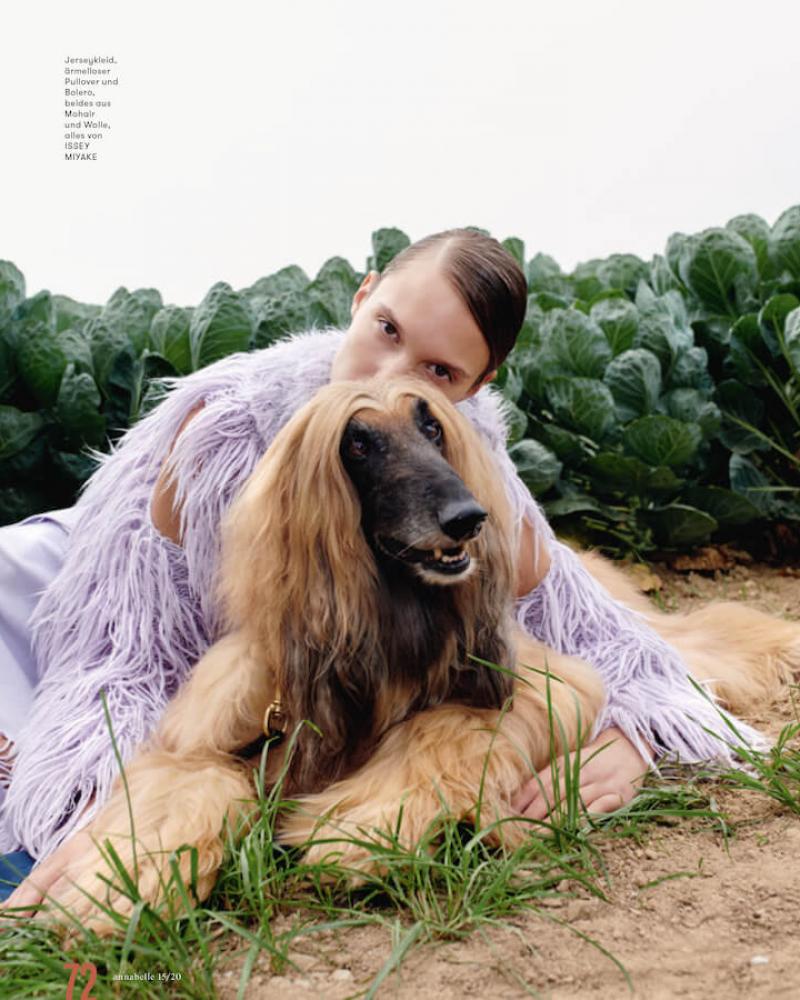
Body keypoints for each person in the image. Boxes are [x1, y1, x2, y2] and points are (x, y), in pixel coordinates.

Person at [0, 228, 758, 913]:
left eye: (439, 370)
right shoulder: (218, 435)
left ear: (476, 387)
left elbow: (606, 642)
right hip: (67, 598)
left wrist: (632, 738)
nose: (391, 369)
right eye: (387, 330)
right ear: (362, 297)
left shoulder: (476, 481)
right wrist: (106, 811)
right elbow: (122, 656)